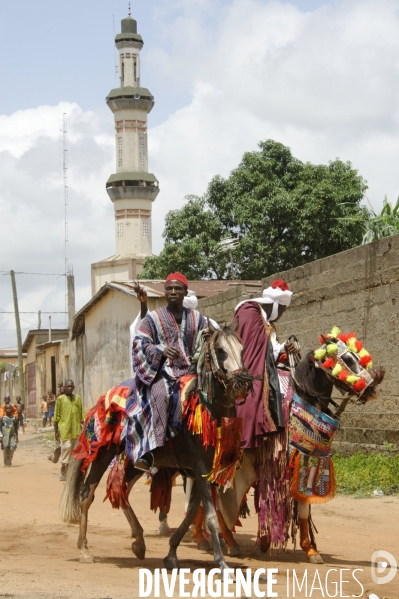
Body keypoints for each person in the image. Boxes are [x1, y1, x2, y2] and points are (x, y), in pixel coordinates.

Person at [126, 272, 208, 471]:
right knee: (161, 395)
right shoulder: (153, 318)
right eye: (169, 288)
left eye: (178, 288)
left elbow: (208, 338)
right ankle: (152, 450)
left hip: (191, 370)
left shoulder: (198, 318)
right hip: (163, 372)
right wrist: (161, 351)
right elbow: (140, 343)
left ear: (185, 292)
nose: (173, 292)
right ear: (164, 291)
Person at [53, 379, 85, 480]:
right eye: (68, 386)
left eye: (71, 386)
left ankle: (71, 474)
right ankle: (63, 472)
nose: (70, 388)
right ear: (64, 388)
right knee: (66, 449)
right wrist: (56, 432)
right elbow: (56, 417)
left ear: (74, 387)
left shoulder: (78, 398)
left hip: (76, 431)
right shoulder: (60, 399)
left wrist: (84, 427)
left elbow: (81, 414)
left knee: (74, 452)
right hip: (64, 430)